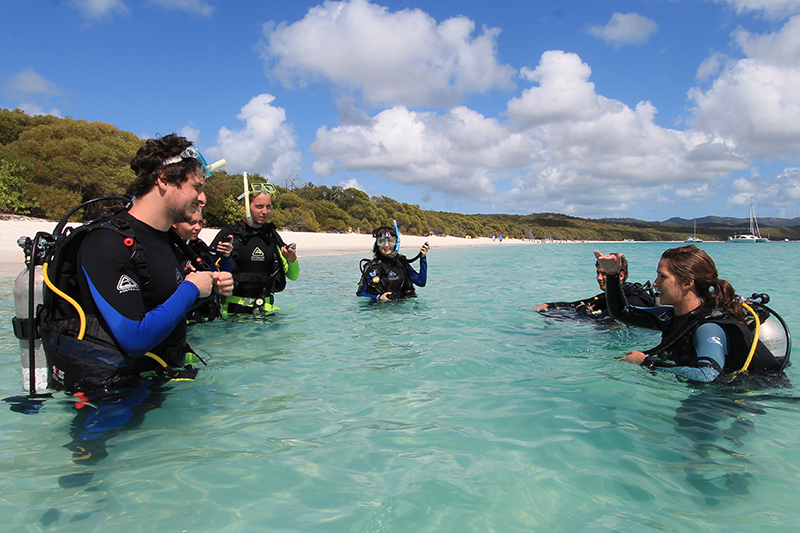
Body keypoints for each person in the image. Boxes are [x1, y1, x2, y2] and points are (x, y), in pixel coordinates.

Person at [595, 246, 783, 382]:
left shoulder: (708, 327)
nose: (655, 283)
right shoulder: (670, 316)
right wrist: (612, 275)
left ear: (687, 283)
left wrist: (646, 362)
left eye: (663, 276)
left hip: (743, 400)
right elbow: (622, 313)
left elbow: (708, 375)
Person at [211, 182, 299, 316]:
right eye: (259, 206)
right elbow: (208, 266)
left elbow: (294, 276)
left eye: (268, 207)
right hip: (233, 313)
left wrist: (292, 259)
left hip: (266, 312)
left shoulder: (271, 235)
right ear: (247, 205)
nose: (265, 211)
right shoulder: (231, 233)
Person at [533, 254, 655, 322]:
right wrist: (549, 305)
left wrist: (582, 309)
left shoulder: (631, 300)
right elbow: (582, 302)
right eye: (598, 273)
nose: (599, 278)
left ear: (621, 276)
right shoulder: (610, 295)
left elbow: (596, 321)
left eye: (604, 274)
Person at [172, 209, 233, 323]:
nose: (198, 227)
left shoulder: (199, 247)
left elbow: (222, 280)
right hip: (181, 319)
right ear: (174, 223)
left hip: (204, 319)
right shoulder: (165, 249)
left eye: (201, 223)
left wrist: (225, 256)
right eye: (192, 223)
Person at [357, 227, 430, 301]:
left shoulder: (401, 263)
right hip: (379, 307)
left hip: (402, 305)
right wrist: (378, 298)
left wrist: (423, 257)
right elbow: (360, 293)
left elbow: (421, 282)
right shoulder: (371, 267)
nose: (386, 245)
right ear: (377, 244)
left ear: (396, 244)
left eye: (391, 241)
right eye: (382, 241)